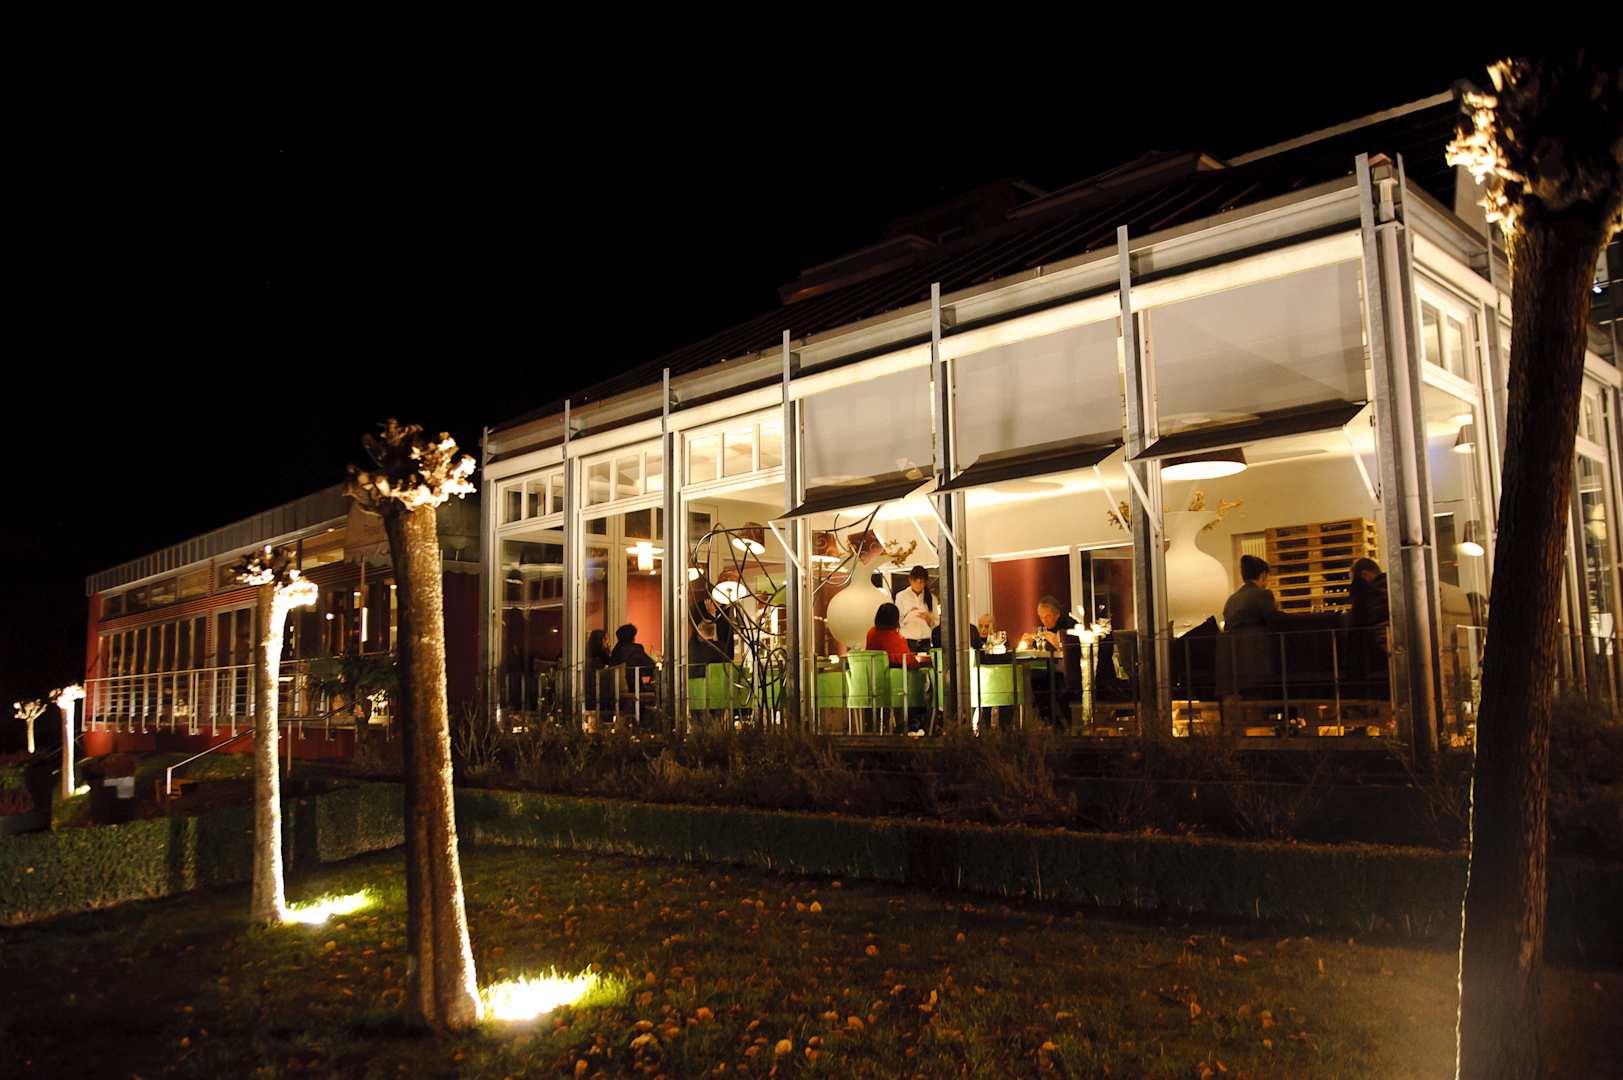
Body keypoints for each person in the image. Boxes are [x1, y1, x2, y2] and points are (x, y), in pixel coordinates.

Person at [1347, 557, 1391, 700]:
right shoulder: (1391, 587)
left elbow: (1358, 622)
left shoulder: (1369, 592)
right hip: (1392, 654)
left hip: (1377, 659)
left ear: (1365, 575)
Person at [867, 603, 931, 669]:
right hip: (895, 674)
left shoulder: (871, 633)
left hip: (873, 671)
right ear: (895, 619)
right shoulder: (895, 639)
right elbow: (910, 662)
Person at [1222, 555, 1278, 630]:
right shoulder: (1263, 594)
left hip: (1234, 638)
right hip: (1259, 637)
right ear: (1263, 575)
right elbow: (1274, 623)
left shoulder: (1230, 600)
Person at [894, 565, 939, 651]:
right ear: (910, 580)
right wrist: (909, 614)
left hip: (925, 640)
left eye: (921, 582)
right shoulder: (901, 596)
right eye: (915, 581)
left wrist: (928, 619)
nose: (918, 584)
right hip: (907, 640)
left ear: (925, 582)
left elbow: (936, 623)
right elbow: (897, 621)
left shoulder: (931, 598)